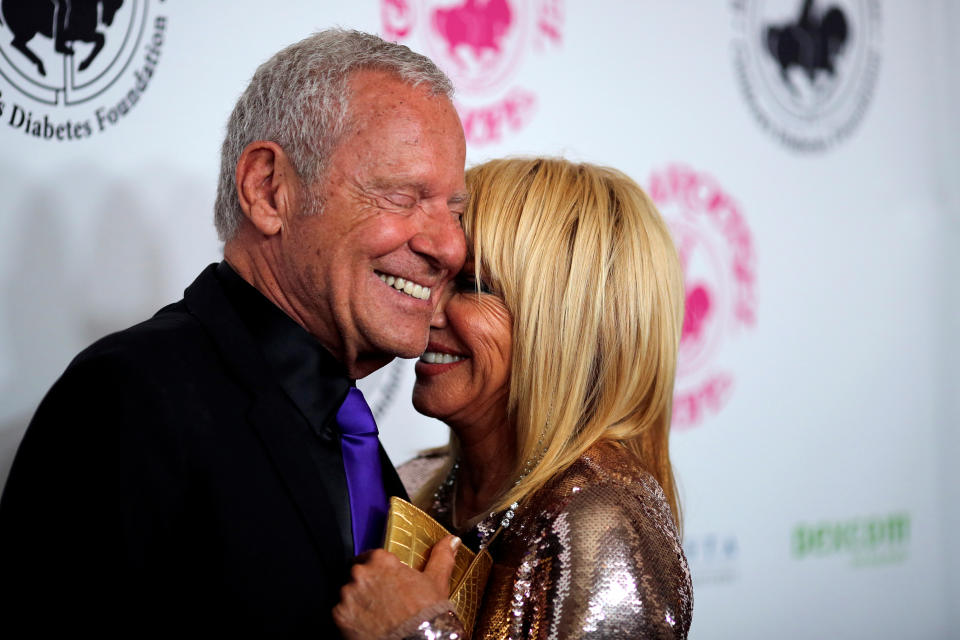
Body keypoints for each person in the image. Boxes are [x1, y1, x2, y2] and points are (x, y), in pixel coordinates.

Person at [0, 29, 467, 636]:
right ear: (268, 189)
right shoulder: (129, 398)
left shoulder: (350, 432)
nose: (449, 246)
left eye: (454, 210)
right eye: (402, 195)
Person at [334, 158, 693, 639]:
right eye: (434, 276)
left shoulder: (601, 519)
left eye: (472, 285)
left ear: (569, 324)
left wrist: (417, 632)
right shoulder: (414, 481)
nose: (426, 309)